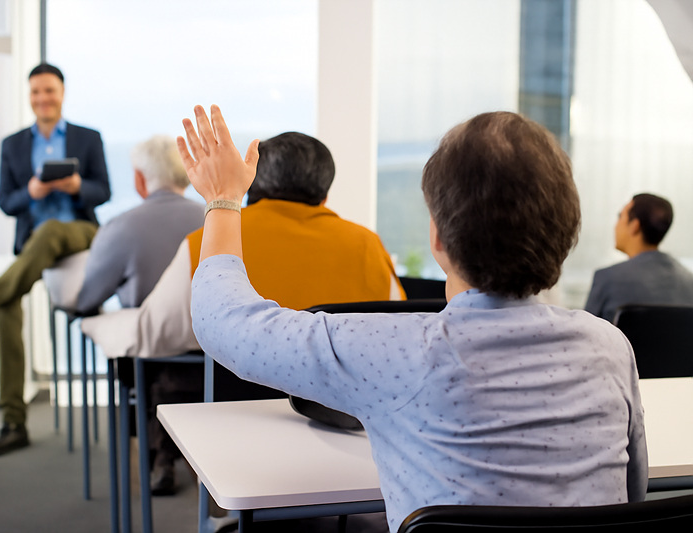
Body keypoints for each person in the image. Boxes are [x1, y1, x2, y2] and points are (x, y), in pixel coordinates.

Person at [180, 106, 647, 532]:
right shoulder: (609, 346)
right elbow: (631, 497)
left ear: (438, 239)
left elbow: (225, 322)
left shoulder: (396, 351)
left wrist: (223, 199)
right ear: (565, 233)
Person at [82, 130, 404, 495]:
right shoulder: (368, 246)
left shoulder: (205, 243)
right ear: (325, 193)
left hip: (228, 441)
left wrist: (100, 324)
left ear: (251, 184)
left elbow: (154, 334)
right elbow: (392, 338)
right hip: (344, 441)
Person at [0, 63, 111, 458]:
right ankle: (13, 423)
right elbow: (7, 202)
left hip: (78, 237)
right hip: (31, 245)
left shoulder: (88, 138)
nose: (43, 99)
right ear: (29, 97)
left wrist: (77, 187)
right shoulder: (13, 145)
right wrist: (32, 192)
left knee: (53, 230)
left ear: (62, 94)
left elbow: (103, 190)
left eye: (50, 91)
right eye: (36, 92)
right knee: (7, 309)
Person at [74, 135, 205, 315]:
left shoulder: (120, 227)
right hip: (209, 334)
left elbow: (88, 298)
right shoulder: (214, 219)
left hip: (150, 335)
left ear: (139, 179)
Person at [584, 193, 693, 323]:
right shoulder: (689, 281)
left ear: (634, 226)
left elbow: (583, 336)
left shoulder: (607, 278)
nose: (615, 225)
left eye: (620, 216)